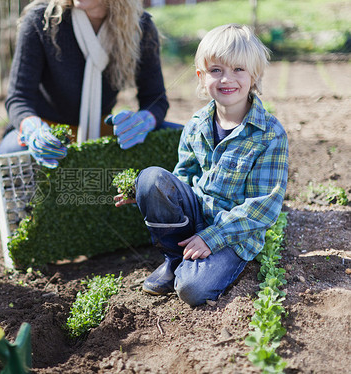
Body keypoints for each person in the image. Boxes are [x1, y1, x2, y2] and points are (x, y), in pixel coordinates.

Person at [114, 24, 289, 307]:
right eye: (216, 70)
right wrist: (146, 193)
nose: (226, 79)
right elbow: (182, 177)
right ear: (201, 76)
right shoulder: (196, 125)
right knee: (150, 179)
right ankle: (175, 258)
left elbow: (262, 207)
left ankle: (195, 268)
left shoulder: (269, 134)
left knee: (191, 289)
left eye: (238, 70)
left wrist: (213, 237)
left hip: (234, 234)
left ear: (255, 76)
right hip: (197, 214)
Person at [0, 0, 180, 168]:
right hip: (48, 131)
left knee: (179, 136)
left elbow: (156, 99)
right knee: (11, 150)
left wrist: (143, 120)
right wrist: (33, 130)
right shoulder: (42, 20)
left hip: (103, 129)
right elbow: (18, 97)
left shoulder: (139, 26)